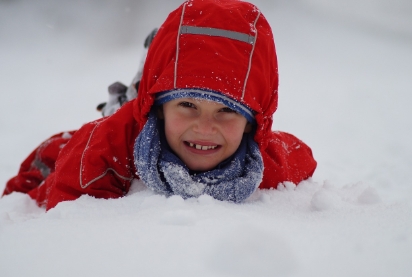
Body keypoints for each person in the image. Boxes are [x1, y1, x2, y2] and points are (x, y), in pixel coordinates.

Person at [3, 0, 316, 210]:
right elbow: (67, 222)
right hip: (120, 131)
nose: (205, 128)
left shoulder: (263, 163)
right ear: (158, 109)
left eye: (227, 110)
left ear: (252, 124)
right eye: (187, 105)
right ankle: (140, 91)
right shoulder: (99, 152)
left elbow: (301, 157)